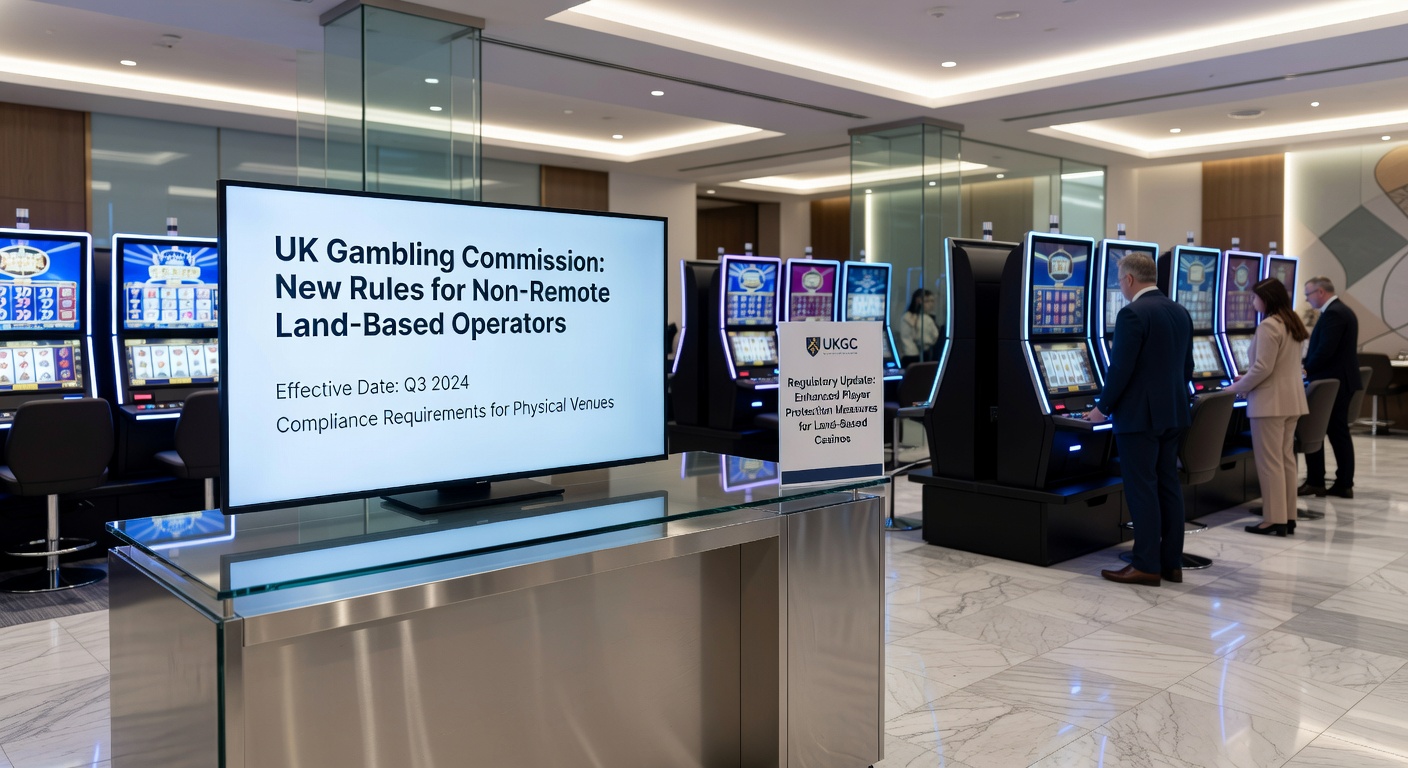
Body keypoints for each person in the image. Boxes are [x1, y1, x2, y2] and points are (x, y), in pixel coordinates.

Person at [1087, 252, 1193, 587]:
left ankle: (1146, 564)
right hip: (1174, 412)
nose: (1121, 287)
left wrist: (1101, 408)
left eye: (1120, 281)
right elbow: (1187, 368)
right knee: (1168, 486)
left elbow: (1121, 369)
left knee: (1142, 489)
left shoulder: (1132, 313)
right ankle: (1170, 562)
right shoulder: (1179, 311)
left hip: (1139, 417)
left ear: (1130, 279)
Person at [1227, 279, 1309, 536]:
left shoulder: (1268, 326)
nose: (1253, 303)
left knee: (1269, 463)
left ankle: (1273, 519)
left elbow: (1263, 368)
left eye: (1255, 298)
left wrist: (1233, 389)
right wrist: (1248, 376)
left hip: (1269, 403)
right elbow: (1277, 366)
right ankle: (1287, 516)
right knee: (1286, 460)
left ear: (1266, 299)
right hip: (1292, 400)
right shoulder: (1291, 322)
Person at [1300, 276, 1360, 498]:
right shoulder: (1340, 310)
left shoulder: (1334, 313)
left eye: (1308, 294)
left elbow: (1325, 350)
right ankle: (1340, 482)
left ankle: (1324, 481)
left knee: (1320, 430)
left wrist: (1305, 369)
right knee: (1337, 432)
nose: (1307, 300)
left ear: (1320, 292)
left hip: (1331, 383)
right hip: (1337, 382)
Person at [897, 288, 941, 368]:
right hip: (916, 357)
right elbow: (924, 339)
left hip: (909, 356)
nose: (931, 304)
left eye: (932, 301)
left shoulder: (906, 316)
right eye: (927, 301)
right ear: (918, 301)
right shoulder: (924, 319)